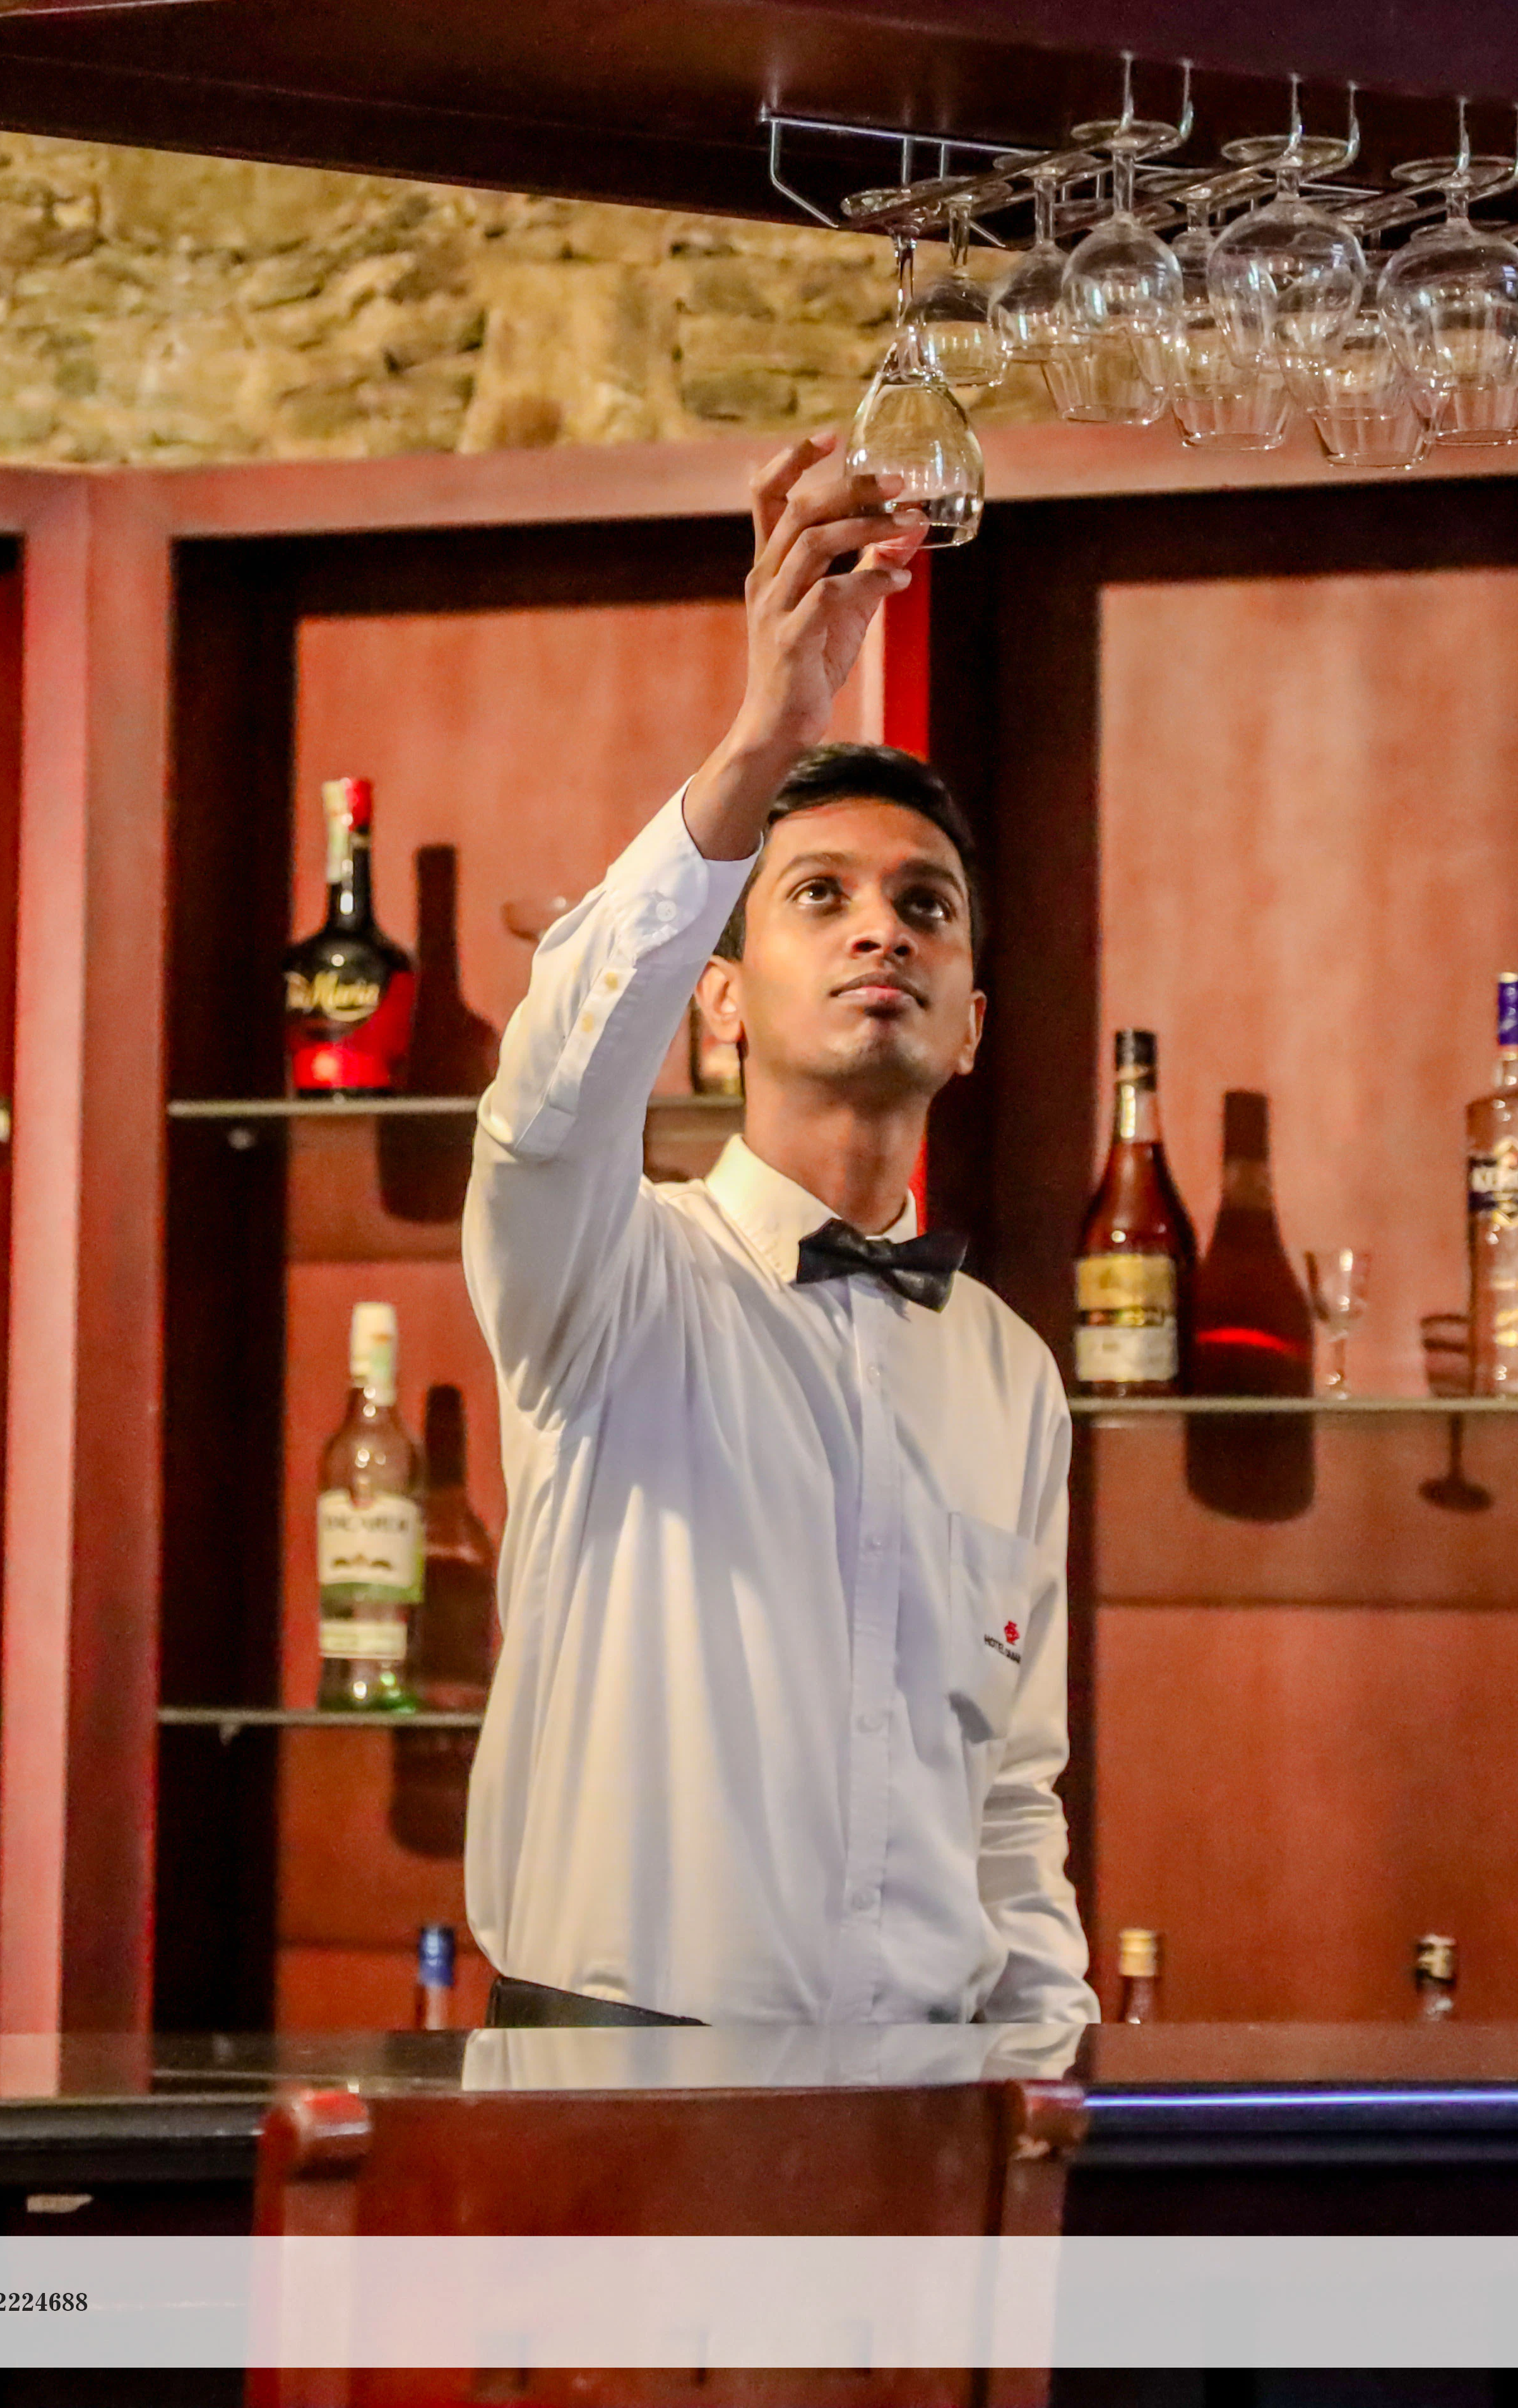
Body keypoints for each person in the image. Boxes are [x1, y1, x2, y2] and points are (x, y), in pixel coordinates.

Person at [459, 432, 1093, 2031]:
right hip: (615, 2102)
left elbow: (1011, 1791)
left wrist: (1046, 2077)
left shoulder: (1009, 1370)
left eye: (926, 904)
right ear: (719, 1001)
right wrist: (765, 741)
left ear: (972, 1027)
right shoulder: (611, 1277)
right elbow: (547, 1097)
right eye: (819, 894)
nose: (883, 923)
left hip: (936, 2102)